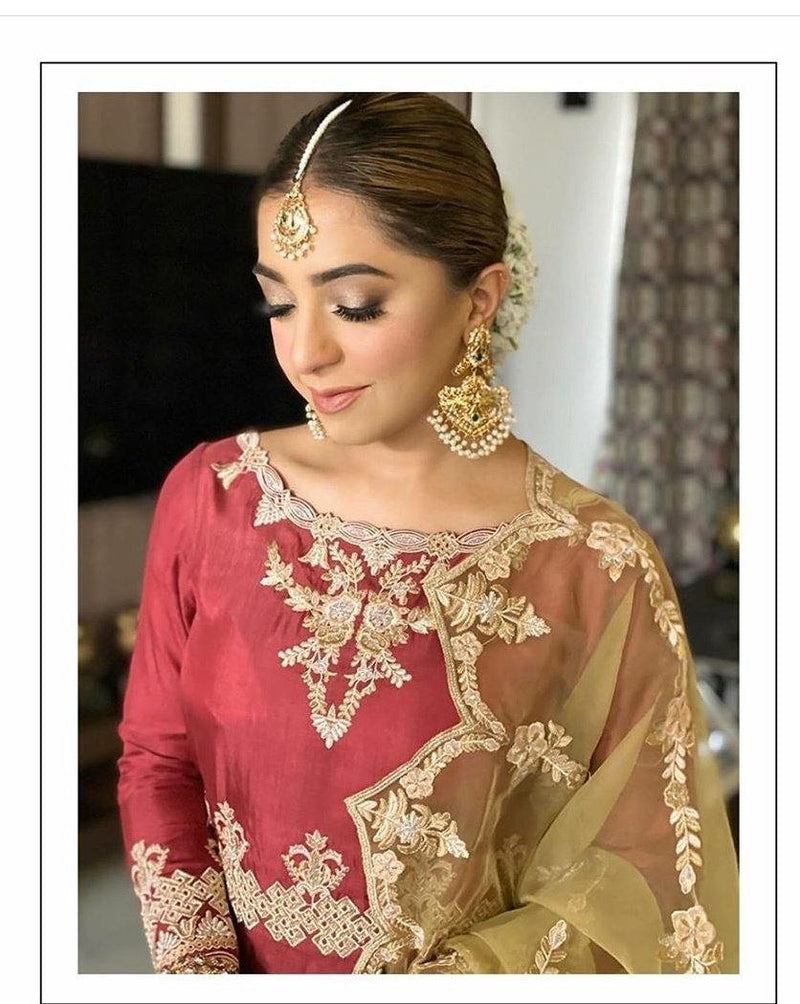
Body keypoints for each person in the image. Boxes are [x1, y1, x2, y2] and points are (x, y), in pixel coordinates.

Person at [116, 92, 739, 975]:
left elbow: (647, 878)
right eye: (278, 305)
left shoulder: (590, 562)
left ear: (479, 299)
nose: (305, 352)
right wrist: (197, 970)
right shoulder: (214, 496)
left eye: (355, 305)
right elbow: (157, 761)